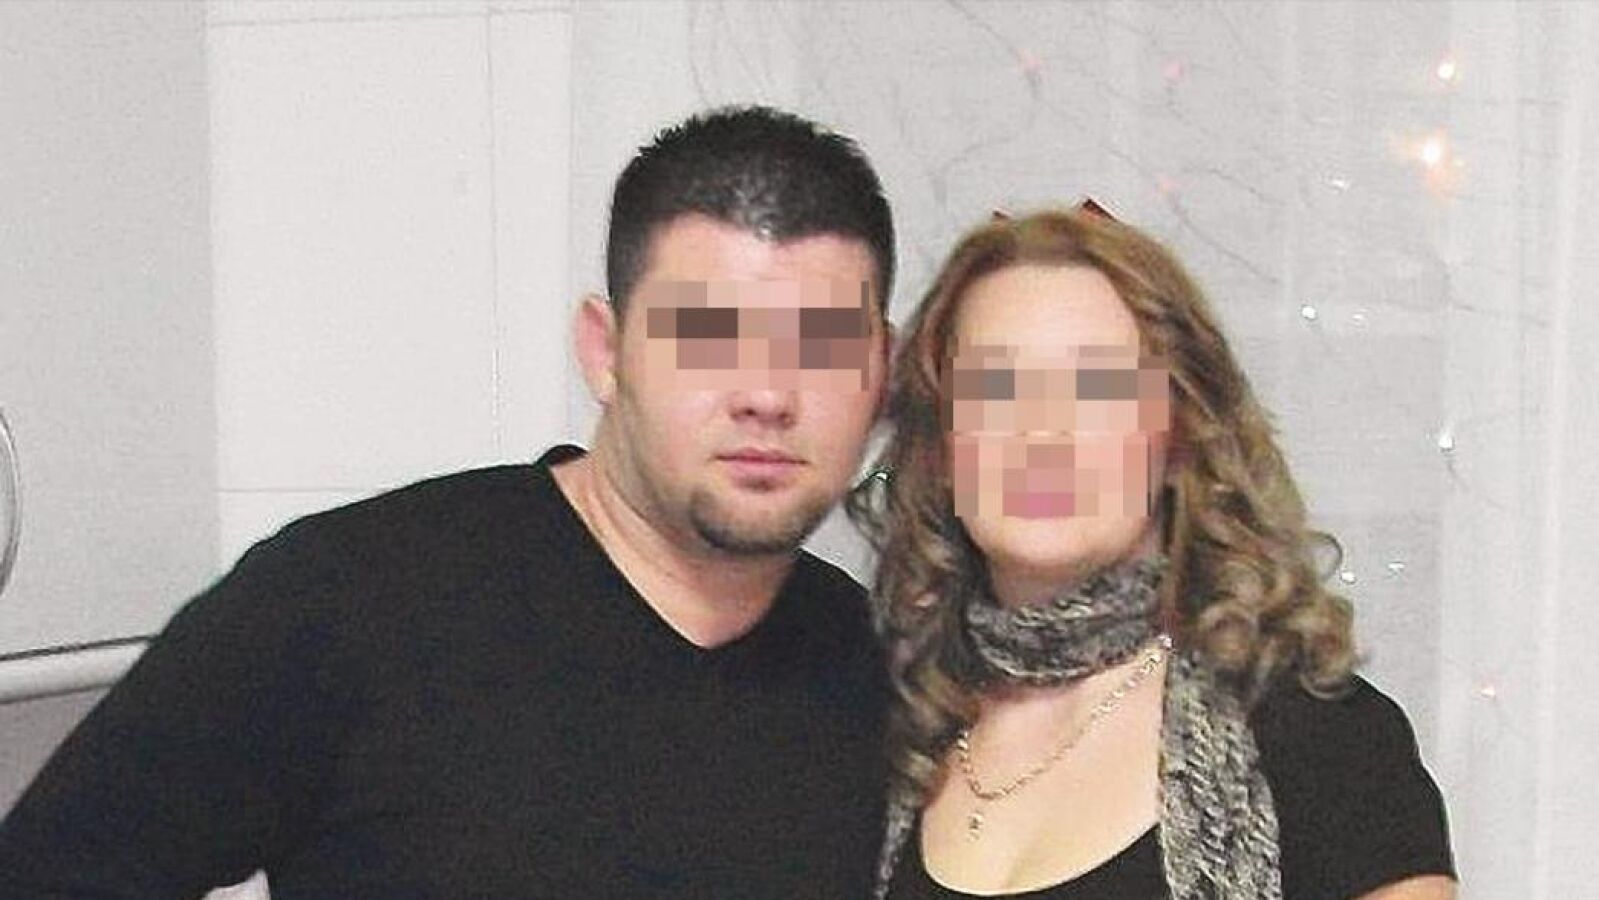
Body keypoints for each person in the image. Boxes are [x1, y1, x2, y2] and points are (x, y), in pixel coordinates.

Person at [0, 106, 896, 899]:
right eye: (710, 336)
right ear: (605, 351)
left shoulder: (877, 669)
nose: (766, 396)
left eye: (821, 346)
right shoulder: (349, 602)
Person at [850, 207, 1455, 900]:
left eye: (1094, 388)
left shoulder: (1323, 737)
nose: (1041, 432)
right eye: (996, 388)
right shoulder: (886, 728)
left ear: (1178, 439)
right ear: (941, 449)